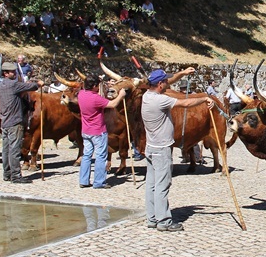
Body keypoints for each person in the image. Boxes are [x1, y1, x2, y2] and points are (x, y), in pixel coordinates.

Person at [141, 68, 213, 231]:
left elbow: (168, 82)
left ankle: (152, 218)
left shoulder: (146, 96)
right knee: (162, 185)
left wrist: (182, 73)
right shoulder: (161, 101)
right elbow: (186, 103)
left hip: (151, 147)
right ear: (160, 84)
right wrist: (204, 98)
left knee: (151, 184)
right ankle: (164, 222)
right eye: (165, 81)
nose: (168, 83)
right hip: (162, 148)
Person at [77, 74, 126, 189]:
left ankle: (83, 180)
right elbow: (112, 104)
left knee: (87, 155)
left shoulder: (81, 94)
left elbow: (99, 97)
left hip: (86, 130)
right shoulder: (96, 98)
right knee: (100, 156)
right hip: (98, 131)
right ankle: (99, 182)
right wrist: (121, 96)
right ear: (94, 86)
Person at [0, 62, 43, 184]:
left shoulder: (1, 85)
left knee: (6, 149)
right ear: (5, 73)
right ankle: (16, 176)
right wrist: (38, 83)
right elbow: (32, 87)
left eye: (14, 71)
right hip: (15, 122)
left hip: (5, 121)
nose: (14, 73)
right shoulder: (13, 85)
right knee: (14, 149)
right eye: (12, 72)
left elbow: (21, 87)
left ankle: (7, 174)